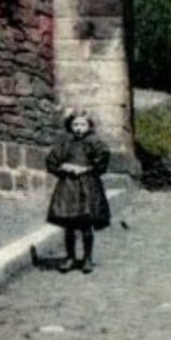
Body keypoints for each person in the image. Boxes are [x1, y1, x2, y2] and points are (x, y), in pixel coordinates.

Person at [46, 110, 111, 273]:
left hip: (88, 187)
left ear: (89, 126)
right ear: (70, 126)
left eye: (82, 124)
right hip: (68, 186)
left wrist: (85, 169)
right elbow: (52, 160)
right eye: (75, 124)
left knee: (86, 224)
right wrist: (63, 167)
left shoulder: (95, 142)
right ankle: (70, 257)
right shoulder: (65, 143)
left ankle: (87, 258)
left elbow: (102, 160)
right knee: (69, 225)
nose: (79, 128)